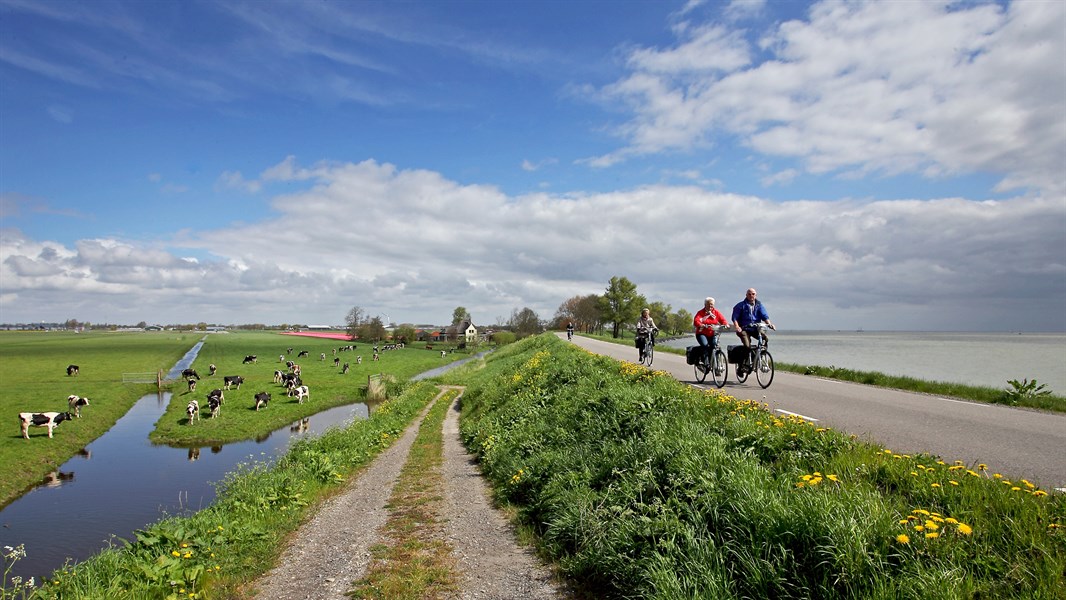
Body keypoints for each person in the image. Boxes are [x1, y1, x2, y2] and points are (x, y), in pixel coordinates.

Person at [732, 288, 775, 372]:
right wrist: (737, 327)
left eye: (753, 294)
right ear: (746, 295)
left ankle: (759, 355)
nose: (751, 296)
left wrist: (769, 324)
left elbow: (764, 316)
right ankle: (741, 367)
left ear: (756, 295)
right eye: (749, 294)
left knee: (765, 339)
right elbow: (735, 318)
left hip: (755, 328)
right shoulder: (740, 305)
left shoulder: (759, 305)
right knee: (747, 346)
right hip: (744, 329)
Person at [693, 297, 729, 362]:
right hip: (702, 333)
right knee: (705, 345)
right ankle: (705, 362)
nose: (710, 305)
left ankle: (713, 361)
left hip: (712, 333)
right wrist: (701, 325)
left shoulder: (716, 313)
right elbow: (696, 320)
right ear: (705, 304)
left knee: (714, 345)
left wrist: (725, 324)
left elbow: (722, 320)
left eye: (711, 304)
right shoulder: (701, 312)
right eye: (708, 304)